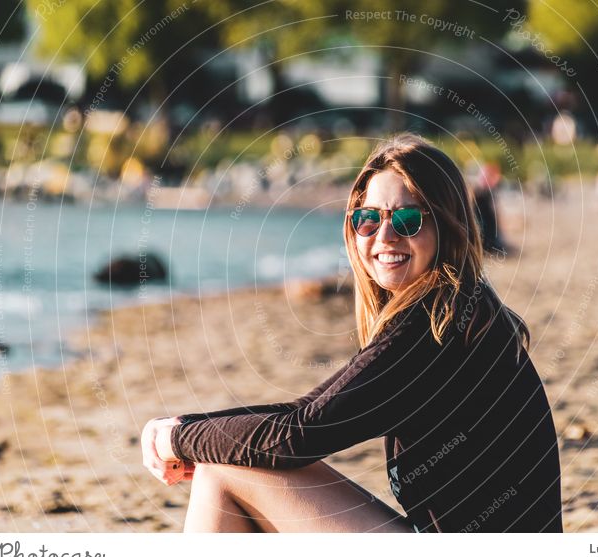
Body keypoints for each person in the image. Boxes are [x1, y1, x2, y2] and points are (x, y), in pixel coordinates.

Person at [141, 133, 563, 533]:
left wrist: (176, 438)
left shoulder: (436, 324)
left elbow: (297, 435)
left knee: (222, 472)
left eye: (408, 219)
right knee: (227, 462)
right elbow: (306, 413)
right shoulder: (456, 308)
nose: (384, 235)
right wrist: (187, 429)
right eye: (367, 219)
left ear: (447, 226)